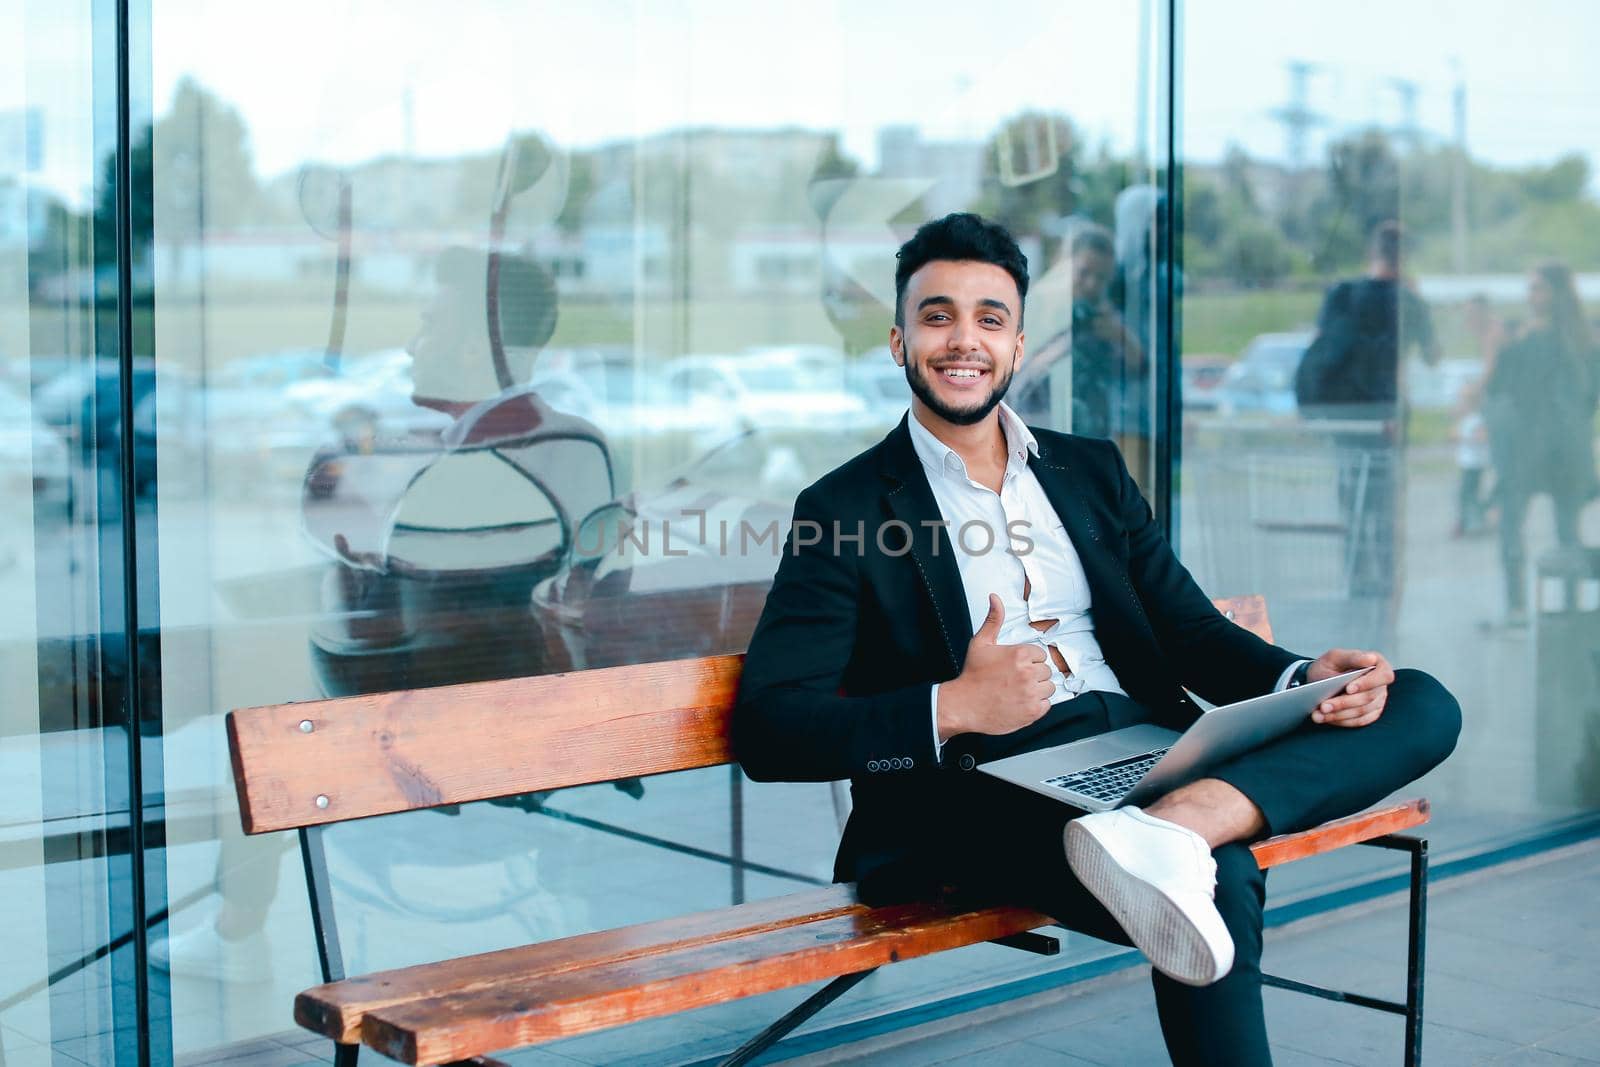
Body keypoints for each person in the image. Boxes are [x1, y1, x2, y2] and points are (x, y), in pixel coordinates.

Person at [733, 213, 1460, 1065]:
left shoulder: (1091, 470)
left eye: (989, 319)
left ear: (1018, 344)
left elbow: (1189, 631)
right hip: (980, 793)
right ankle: (1182, 836)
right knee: (1218, 879)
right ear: (899, 341)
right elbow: (770, 728)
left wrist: (1304, 674)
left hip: (1150, 759)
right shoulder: (846, 510)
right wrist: (953, 706)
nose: (964, 338)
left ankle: (1178, 824)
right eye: (938, 315)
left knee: (1418, 699)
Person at [1296, 220, 1441, 606]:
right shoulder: (1408, 299)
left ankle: (1357, 579)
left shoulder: (1343, 292)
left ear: (1371, 253)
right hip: (1387, 410)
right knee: (1386, 499)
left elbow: (1321, 347)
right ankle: (1386, 581)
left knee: (1352, 494)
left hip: (1347, 413)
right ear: (1405, 256)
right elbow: (1432, 356)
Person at [1482, 261, 1599, 627]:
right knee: (1564, 531)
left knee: (1518, 527)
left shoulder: (1531, 342)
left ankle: (1520, 609)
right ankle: (1568, 610)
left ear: (1554, 294)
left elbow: (1499, 389)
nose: (1530, 296)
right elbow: (1589, 401)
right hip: (1565, 451)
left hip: (1532, 452)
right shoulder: (1583, 342)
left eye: (1537, 288)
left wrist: (1500, 348)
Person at [1009, 222, 1143, 438]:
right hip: (1036, 431)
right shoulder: (1034, 306)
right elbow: (1016, 377)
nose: (1091, 284)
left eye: (1101, 278)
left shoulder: (1102, 314)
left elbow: (1140, 369)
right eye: (1084, 273)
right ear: (1064, 264)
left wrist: (1120, 336)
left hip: (1091, 431)